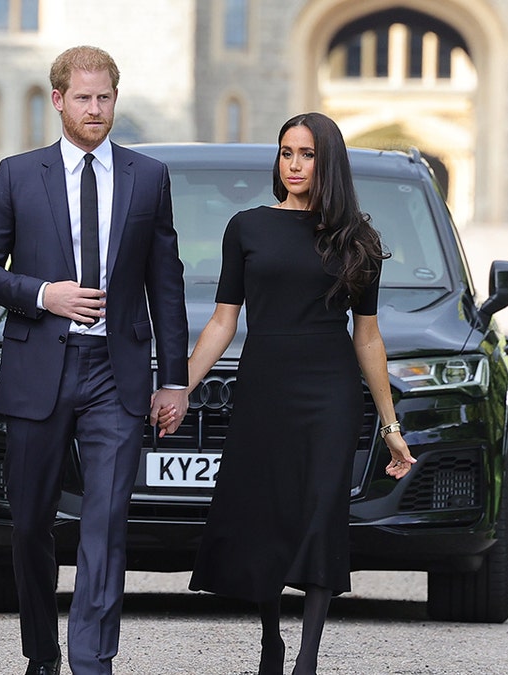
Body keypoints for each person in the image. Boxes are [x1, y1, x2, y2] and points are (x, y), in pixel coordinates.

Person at [0, 45, 189, 675]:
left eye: (105, 97)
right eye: (83, 98)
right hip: (39, 367)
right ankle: (42, 654)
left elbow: (165, 285)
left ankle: (93, 661)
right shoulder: (16, 174)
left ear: (117, 98)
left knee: (107, 523)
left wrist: (174, 379)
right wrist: (42, 294)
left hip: (114, 375)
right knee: (31, 523)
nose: (95, 109)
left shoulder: (148, 177)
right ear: (58, 100)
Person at [172, 112, 416, 675]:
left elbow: (369, 337)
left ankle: (307, 655)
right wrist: (179, 387)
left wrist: (391, 427)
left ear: (327, 161)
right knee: (267, 510)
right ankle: (270, 640)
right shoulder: (248, 227)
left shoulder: (358, 239)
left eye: (306, 154)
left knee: (320, 509)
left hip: (329, 389)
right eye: (286, 153)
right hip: (265, 384)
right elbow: (221, 323)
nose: (295, 165)